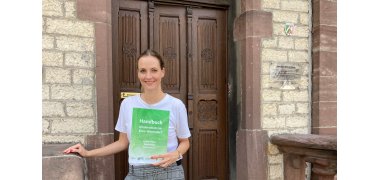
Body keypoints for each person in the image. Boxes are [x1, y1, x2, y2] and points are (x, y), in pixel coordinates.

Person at [63, 49, 191, 180]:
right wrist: (88, 153)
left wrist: (176, 153)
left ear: (162, 71)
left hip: (169, 173)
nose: (148, 76)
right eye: (143, 71)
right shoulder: (128, 104)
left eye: (154, 70)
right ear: (138, 73)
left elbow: (185, 142)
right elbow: (122, 143)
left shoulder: (176, 105)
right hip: (136, 174)